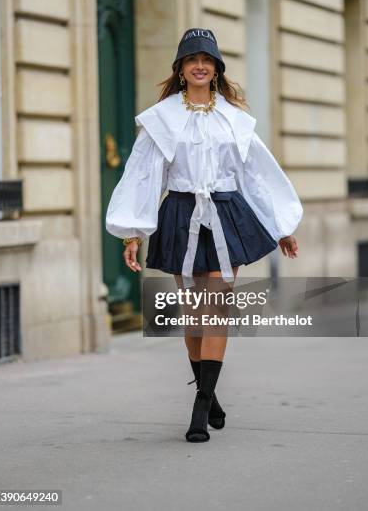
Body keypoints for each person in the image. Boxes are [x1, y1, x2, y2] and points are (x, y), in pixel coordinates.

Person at [105, 28, 303, 443]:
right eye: (192, 59)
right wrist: (132, 234)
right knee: (195, 313)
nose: (200, 65)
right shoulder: (162, 118)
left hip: (226, 213)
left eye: (207, 59)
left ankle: (199, 408)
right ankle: (210, 397)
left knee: (214, 306)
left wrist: (281, 226)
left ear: (216, 70)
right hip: (180, 215)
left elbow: (258, 176)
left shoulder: (234, 119)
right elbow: (142, 176)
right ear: (180, 69)